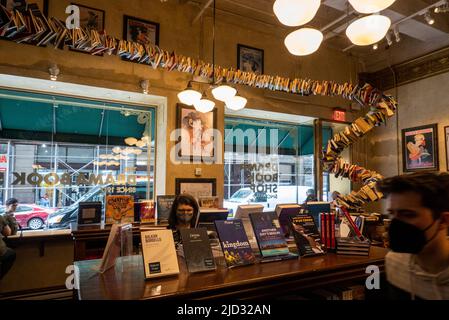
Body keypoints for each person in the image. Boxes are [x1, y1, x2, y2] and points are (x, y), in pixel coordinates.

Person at [377, 172, 449, 300]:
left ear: (443, 221)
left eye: (408, 215)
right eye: (391, 214)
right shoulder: (395, 261)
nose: (396, 224)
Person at [0, 198, 19, 280]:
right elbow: (8, 232)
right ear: (7, 205)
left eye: (16, 205)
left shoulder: (11, 215)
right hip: (2, 252)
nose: (15, 207)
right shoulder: (4, 216)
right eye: (13, 205)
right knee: (11, 254)